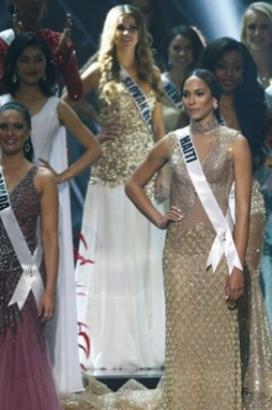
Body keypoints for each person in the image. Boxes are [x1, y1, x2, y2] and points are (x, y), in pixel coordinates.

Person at [125, 69, 252, 408]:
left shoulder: (236, 143)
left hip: (219, 253)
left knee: (218, 335)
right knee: (183, 334)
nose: (192, 101)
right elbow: (133, 184)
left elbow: (242, 210)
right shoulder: (172, 141)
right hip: (179, 255)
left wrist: (237, 266)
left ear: (214, 99)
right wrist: (158, 218)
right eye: (186, 94)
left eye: (199, 93)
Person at [0, 31, 101, 394]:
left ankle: (37, 382)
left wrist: (60, 177)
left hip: (38, 205)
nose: (31, 66)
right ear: (14, 64)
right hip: (4, 199)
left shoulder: (56, 105)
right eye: (24, 59)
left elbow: (93, 147)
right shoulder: (2, 103)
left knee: (33, 301)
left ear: (47, 65)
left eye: (38, 59)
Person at [199, 37, 272, 355]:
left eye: (236, 67)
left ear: (245, 71)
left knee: (245, 278)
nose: (229, 74)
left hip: (251, 204)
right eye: (222, 67)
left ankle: (249, 357)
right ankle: (216, 355)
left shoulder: (256, 109)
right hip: (210, 205)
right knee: (212, 278)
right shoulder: (198, 105)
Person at [74, 4, 166, 371]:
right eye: (120, 27)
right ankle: (111, 343)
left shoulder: (151, 75)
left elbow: (160, 132)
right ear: (111, 32)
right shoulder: (101, 70)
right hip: (111, 175)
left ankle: (145, 341)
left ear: (141, 33)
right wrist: (94, 128)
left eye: (132, 27)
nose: (126, 33)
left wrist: (164, 172)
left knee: (143, 256)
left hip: (143, 175)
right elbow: (65, 103)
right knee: (112, 256)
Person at [0, 101, 61, 409]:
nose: (10, 133)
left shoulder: (43, 178)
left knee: (24, 358)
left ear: (28, 132)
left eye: (17, 126)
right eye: (4, 126)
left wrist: (49, 291)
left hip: (25, 282)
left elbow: (50, 239)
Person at [0, 0, 83, 101]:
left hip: (47, 110)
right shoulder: (3, 43)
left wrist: (65, 58)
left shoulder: (57, 42)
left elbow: (76, 94)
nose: (35, 2)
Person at [160, 25, 205, 132]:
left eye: (188, 48)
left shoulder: (203, 85)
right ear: (167, 50)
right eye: (176, 48)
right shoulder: (156, 84)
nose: (182, 53)